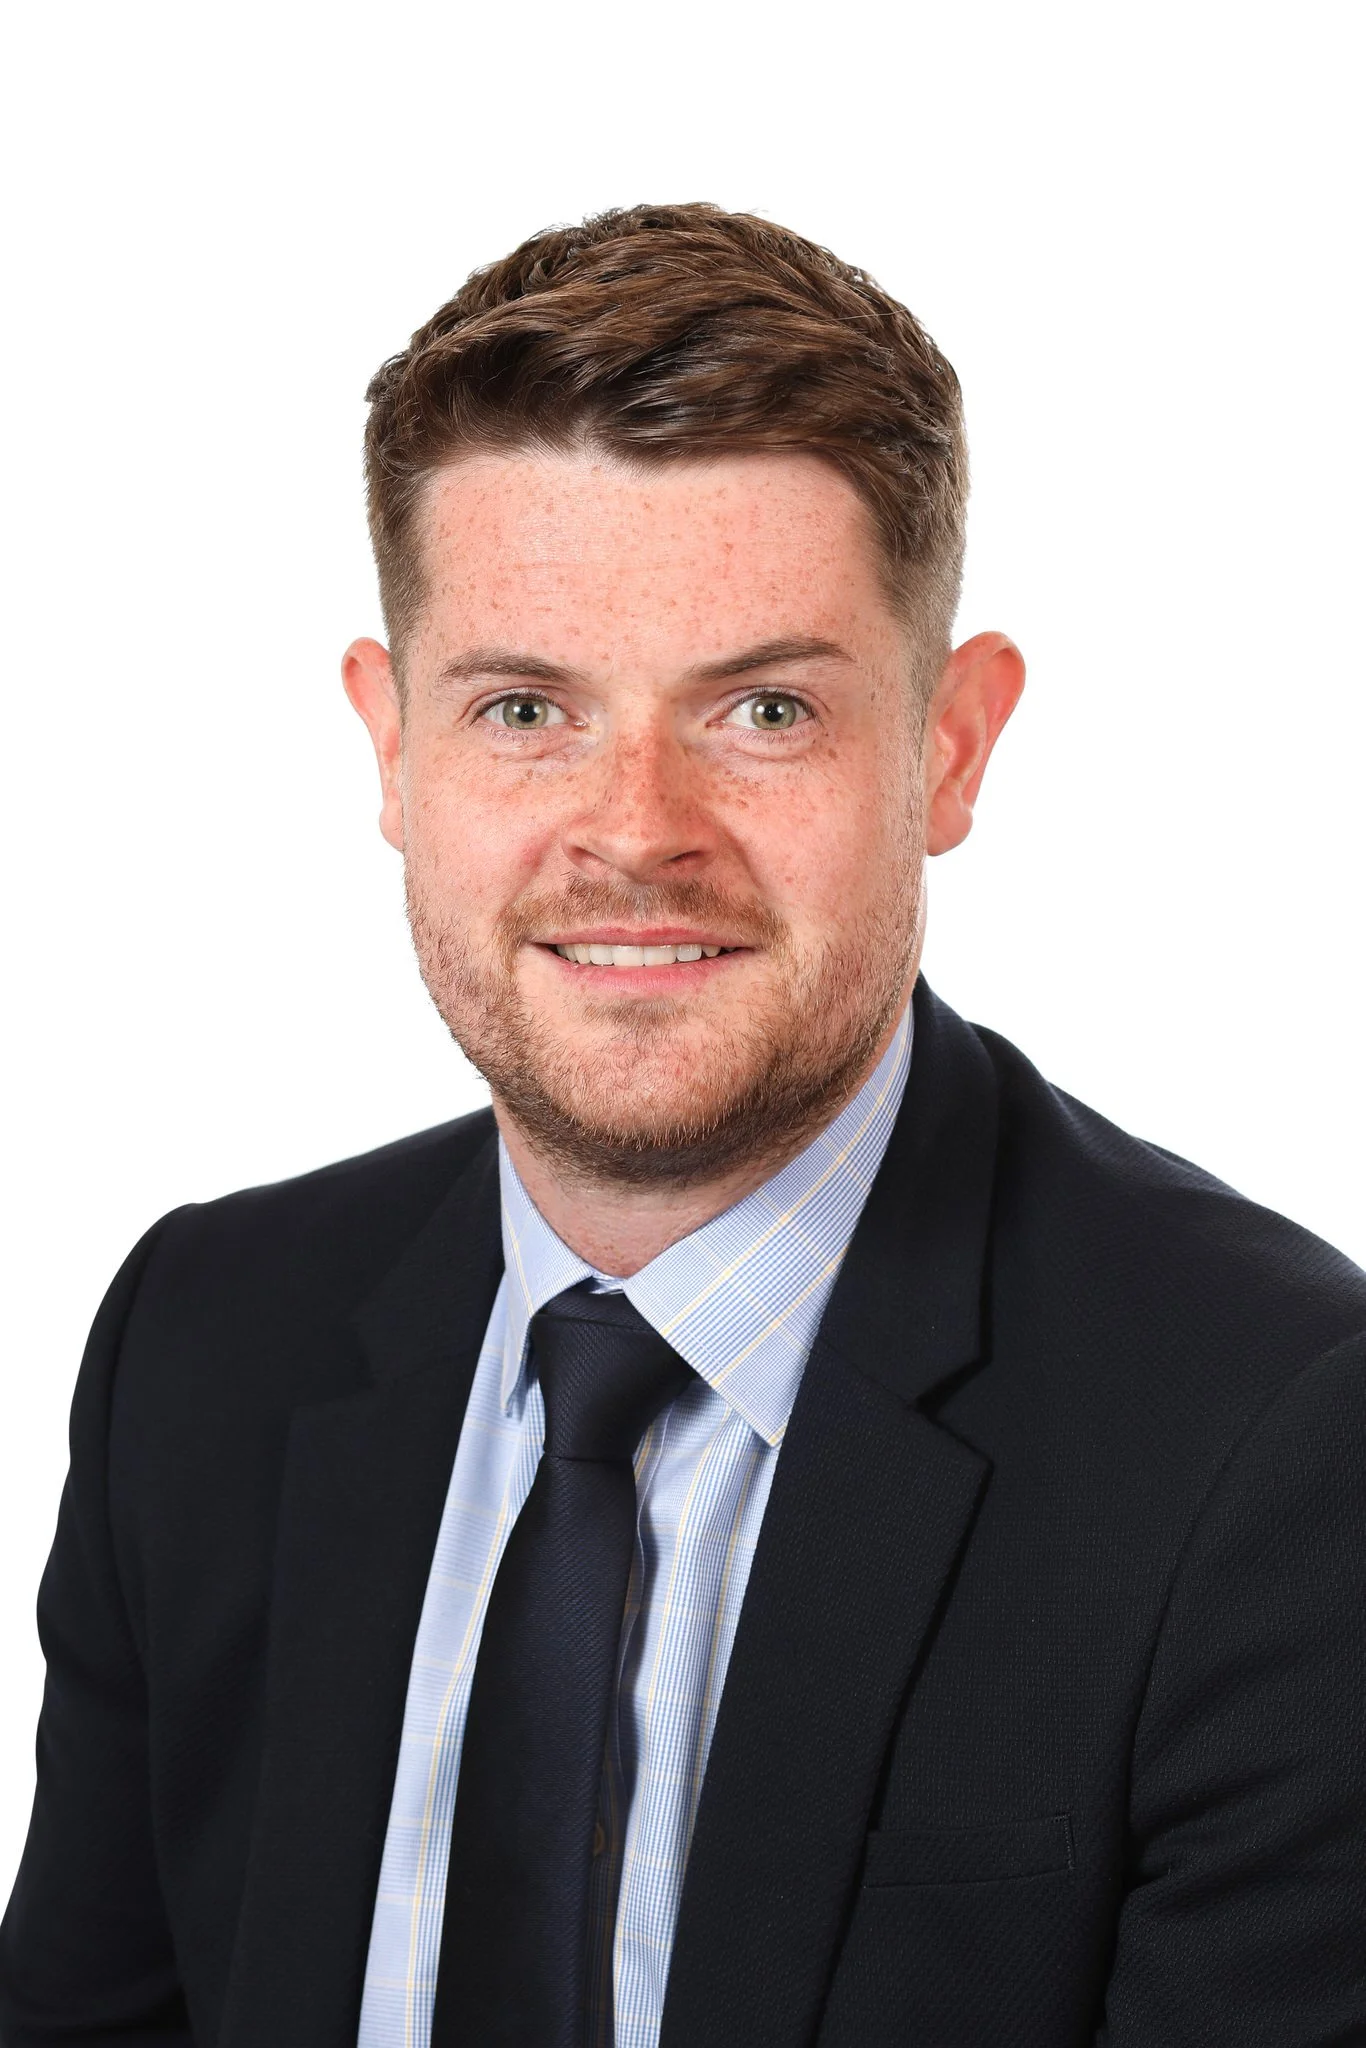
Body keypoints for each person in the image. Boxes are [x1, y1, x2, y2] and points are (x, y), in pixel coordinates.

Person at [2, 201, 1364, 2048]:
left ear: (949, 748)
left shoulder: (1275, 1443)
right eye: (523, 707)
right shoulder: (206, 1337)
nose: (635, 827)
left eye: (765, 707)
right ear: (390, 749)